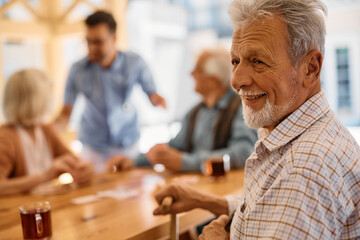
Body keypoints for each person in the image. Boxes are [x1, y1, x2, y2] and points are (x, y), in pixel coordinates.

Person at [153, 0, 360, 239]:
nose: (236, 80)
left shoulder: (305, 168)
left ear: (310, 68)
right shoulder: (296, 138)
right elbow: (274, 210)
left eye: (257, 61)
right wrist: (206, 201)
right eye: (235, 61)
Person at [105, 47, 257, 172]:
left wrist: (185, 162)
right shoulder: (194, 113)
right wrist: (134, 161)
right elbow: (176, 146)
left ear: (214, 80)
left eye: (198, 69)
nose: (191, 74)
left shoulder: (241, 108)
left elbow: (243, 153)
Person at [55, 11, 166, 172]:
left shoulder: (134, 62)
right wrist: (47, 133)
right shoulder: (77, 69)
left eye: (98, 42)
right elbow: (65, 113)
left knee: (131, 189)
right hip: (94, 145)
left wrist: (157, 99)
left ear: (114, 39)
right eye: (88, 42)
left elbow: (151, 93)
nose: (92, 48)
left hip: (128, 141)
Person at [0, 69, 94, 196]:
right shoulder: (5, 137)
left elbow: (73, 161)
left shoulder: (45, 129)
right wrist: (44, 176)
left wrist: (85, 169)